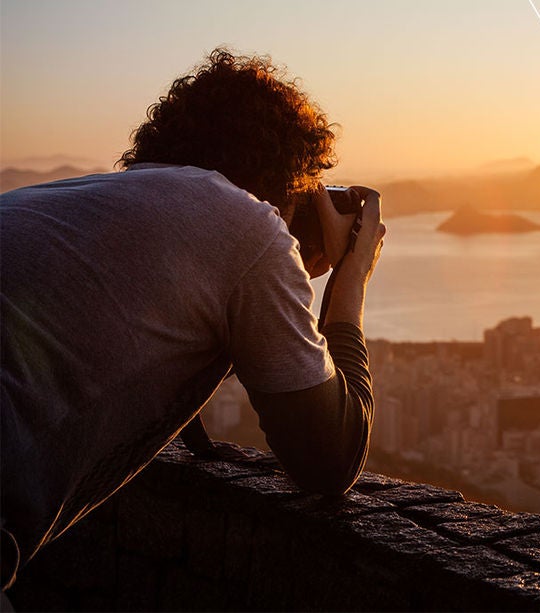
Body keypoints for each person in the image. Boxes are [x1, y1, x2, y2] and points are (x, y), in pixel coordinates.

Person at [0, 48, 386, 591]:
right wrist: (350, 279)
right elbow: (329, 458)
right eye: (309, 183)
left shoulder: (71, 198)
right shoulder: (246, 223)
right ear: (289, 175)